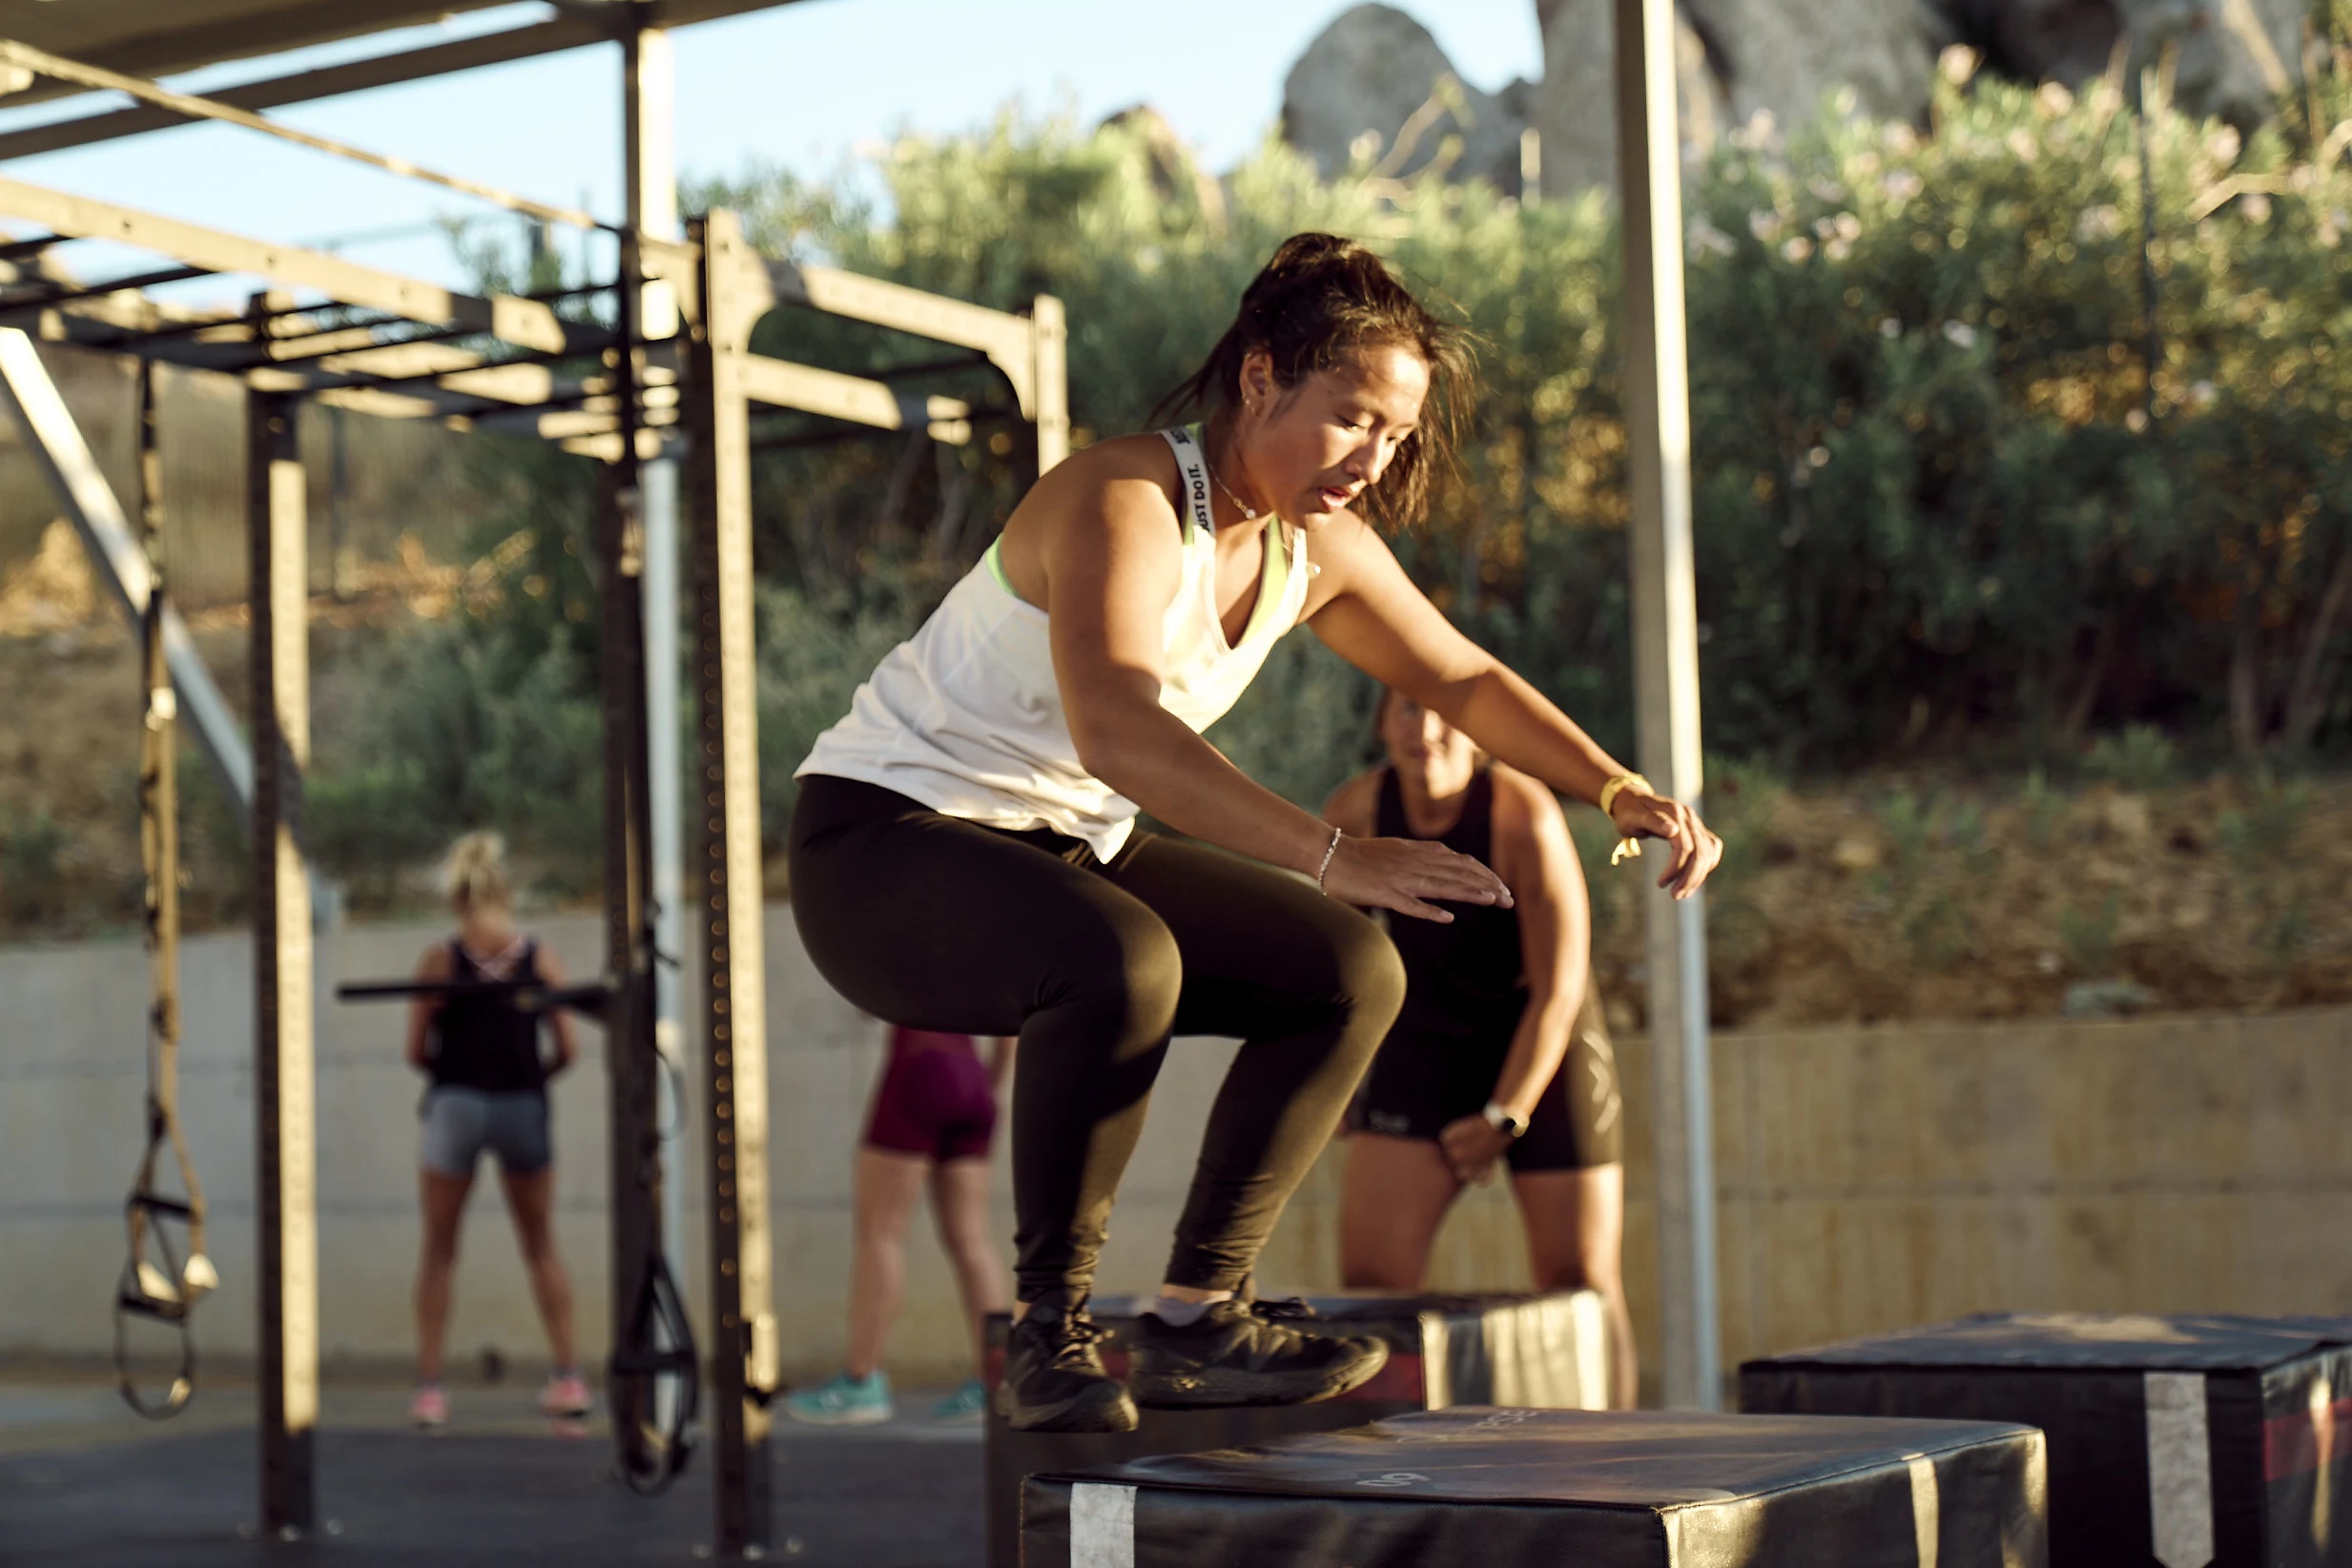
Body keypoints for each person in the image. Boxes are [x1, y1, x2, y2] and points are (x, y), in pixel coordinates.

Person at [787, 233, 1721, 1434]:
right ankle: (1050, 1333)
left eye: (1395, 437)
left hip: (1060, 848)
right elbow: (1120, 728)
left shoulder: (1311, 549)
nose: (1372, 463)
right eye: (1351, 420)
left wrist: (1615, 786)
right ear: (1262, 376)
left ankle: (1196, 1314)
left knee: (1344, 970)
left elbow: (1465, 677)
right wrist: (1332, 853)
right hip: (882, 845)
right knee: (1124, 959)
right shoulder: (1122, 499)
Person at [1326, 690, 1638, 1407]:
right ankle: (1385, 1481)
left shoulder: (1522, 814)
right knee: (1372, 1289)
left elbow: (1558, 989)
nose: (1424, 730)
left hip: (1540, 1043)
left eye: (1443, 712)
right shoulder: (1353, 815)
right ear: (1380, 723)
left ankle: (1613, 1472)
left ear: (1480, 734)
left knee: (1581, 1285)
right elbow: (1327, 973)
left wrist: (1506, 1113)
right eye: (1406, 709)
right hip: (1423, 1044)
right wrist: (1334, 1080)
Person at [402, 832, 588, 1429]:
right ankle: (568, 1377)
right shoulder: (540, 957)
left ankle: (431, 1390)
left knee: (438, 1251)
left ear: (457, 898)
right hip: (520, 1105)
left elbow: (415, 1050)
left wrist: (456, 1081)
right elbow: (568, 1047)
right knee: (541, 1247)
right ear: (505, 893)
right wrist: (531, 1079)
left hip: (457, 1103)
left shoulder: (440, 959)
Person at [784, 1025, 1017, 1424]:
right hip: (973, 1075)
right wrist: (991, 1083)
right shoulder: (988, 958)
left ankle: (861, 1380)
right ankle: (996, 1381)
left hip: (921, 1066)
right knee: (973, 1240)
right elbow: (1010, 1024)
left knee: (881, 1234)